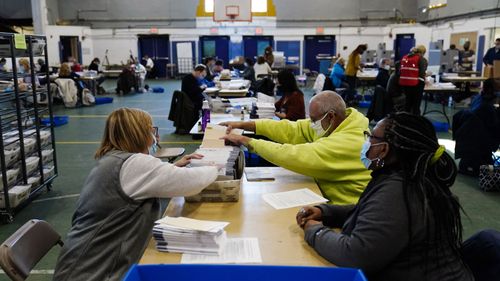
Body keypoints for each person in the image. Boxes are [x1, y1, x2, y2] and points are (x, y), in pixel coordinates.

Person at [296, 112, 474, 281]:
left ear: (383, 150)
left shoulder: (400, 190)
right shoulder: (412, 178)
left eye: (370, 137)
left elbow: (355, 255)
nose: (366, 142)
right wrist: (326, 212)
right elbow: (372, 212)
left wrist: (315, 230)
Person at [53, 108, 218, 281]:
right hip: (97, 273)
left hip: (82, 265)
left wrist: (174, 167)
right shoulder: (135, 163)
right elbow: (192, 183)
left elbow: (138, 184)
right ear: (139, 133)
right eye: (151, 129)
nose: (155, 135)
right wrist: (216, 166)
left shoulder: (113, 160)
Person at [221, 91, 371, 204]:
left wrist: (247, 141)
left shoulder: (349, 142)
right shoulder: (336, 124)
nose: (311, 124)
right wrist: (244, 125)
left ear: (331, 116)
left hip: (346, 213)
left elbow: (294, 155)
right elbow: (292, 129)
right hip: (324, 197)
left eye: (313, 120)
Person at [452, 78, 500, 175]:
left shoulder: (477, 99)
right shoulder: (487, 107)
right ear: (492, 91)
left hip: (466, 141)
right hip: (478, 142)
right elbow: (495, 129)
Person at [399, 45, 428, 115]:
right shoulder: (421, 59)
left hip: (405, 83)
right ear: (423, 52)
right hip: (416, 84)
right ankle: (415, 122)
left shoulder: (405, 57)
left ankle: (406, 120)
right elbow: (421, 73)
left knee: (408, 103)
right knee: (416, 105)